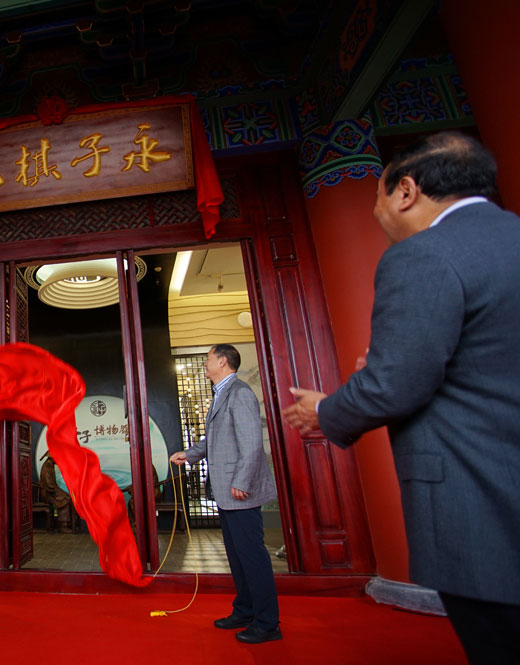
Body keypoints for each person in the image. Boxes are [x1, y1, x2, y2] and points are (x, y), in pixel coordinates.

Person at [283, 131, 520, 664]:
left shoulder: (423, 255)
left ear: (407, 192)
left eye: (377, 199)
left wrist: (324, 409)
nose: (377, 213)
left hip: (485, 504)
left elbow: (396, 383)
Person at [170, 344, 280, 644]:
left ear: (222, 361)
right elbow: (214, 440)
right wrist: (189, 455)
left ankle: (268, 623)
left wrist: (242, 481)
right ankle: (244, 610)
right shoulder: (221, 393)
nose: (205, 365)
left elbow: (252, 443)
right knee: (237, 555)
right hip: (227, 491)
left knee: (252, 556)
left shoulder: (240, 393)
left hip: (238, 490)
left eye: (207, 360)